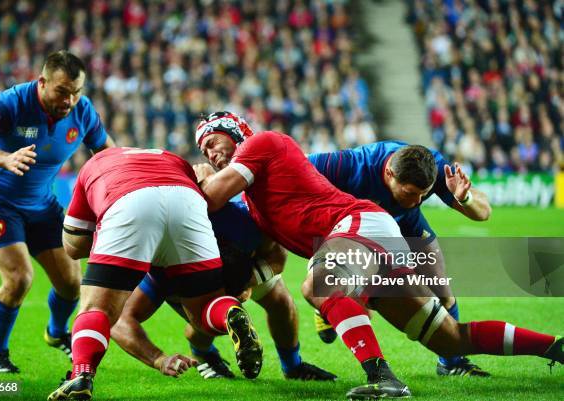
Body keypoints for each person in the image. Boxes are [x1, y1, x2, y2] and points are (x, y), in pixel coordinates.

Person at [193, 111, 563, 400]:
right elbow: (270, 247)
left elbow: (210, 198)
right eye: (203, 150)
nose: (210, 152)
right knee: (449, 337)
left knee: (319, 283)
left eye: (214, 141)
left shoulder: (263, 144)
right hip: (372, 235)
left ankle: (381, 376)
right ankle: (553, 346)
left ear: (237, 131)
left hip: (361, 225)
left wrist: (197, 178)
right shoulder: (258, 197)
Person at [47, 147, 263, 401]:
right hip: (187, 202)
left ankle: (81, 376)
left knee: (97, 308)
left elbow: (73, 247)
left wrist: (107, 242)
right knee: (204, 310)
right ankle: (228, 312)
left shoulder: (95, 164)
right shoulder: (172, 158)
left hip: (128, 201)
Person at [0, 50, 115, 374]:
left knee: (72, 283)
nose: (69, 100)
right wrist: (4, 158)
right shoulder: (14, 102)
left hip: (41, 203)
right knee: (19, 278)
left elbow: (107, 153)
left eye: (76, 92)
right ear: (42, 83)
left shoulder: (82, 112)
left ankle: (56, 333)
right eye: (61, 91)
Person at [309, 142, 492, 376]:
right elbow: (295, 164)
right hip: (354, 227)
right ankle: (328, 305)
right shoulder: (350, 164)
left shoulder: (434, 167)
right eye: (410, 193)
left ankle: (451, 362)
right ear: (389, 173)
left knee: (442, 292)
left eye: (423, 195)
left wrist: (464, 199)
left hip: (405, 222)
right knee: (357, 298)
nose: (417, 201)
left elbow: (484, 212)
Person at [112, 200, 337, 381]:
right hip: (194, 280)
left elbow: (277, 255)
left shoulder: (237, 221)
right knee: (207, 325)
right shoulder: (163, 267)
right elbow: (120, 320)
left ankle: (293, 367)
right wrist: (159, 359)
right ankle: (204, 354)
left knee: (281, 302)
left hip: (241, 267)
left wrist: (248, 282)